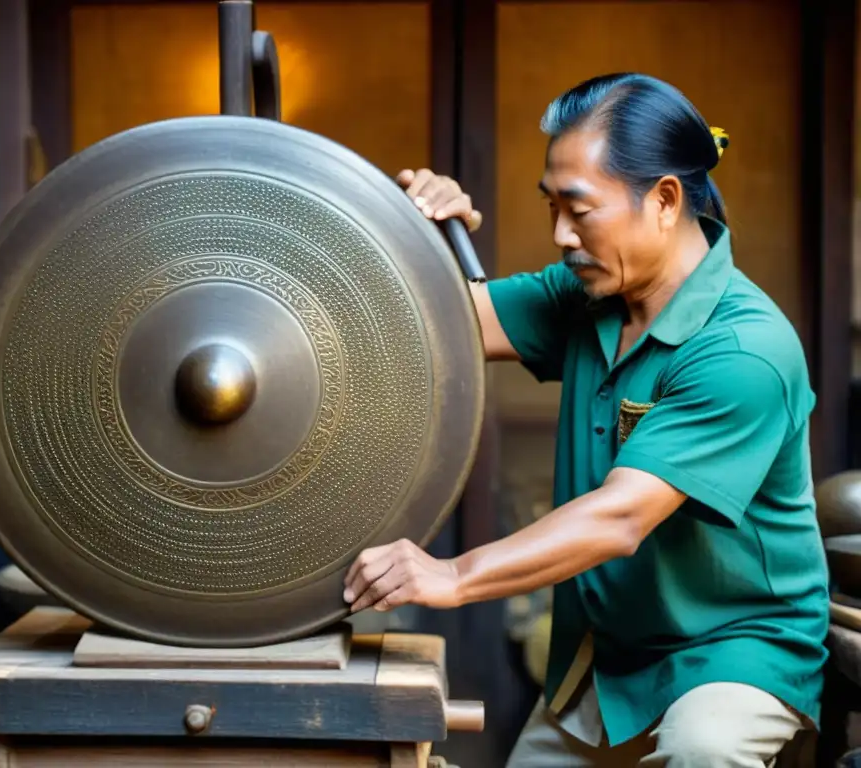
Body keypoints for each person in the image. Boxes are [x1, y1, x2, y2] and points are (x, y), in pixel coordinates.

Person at [342, 73, 830, 767]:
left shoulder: (744, 350)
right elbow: (428, 324)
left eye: (580, 209)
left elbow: (618, 518)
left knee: (704, 751)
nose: (561, 234)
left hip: (735, 649)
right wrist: (409, 230)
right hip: (608, 657)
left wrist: (451, 576)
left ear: (663, 199)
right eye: (552, 207)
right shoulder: (585, 296)